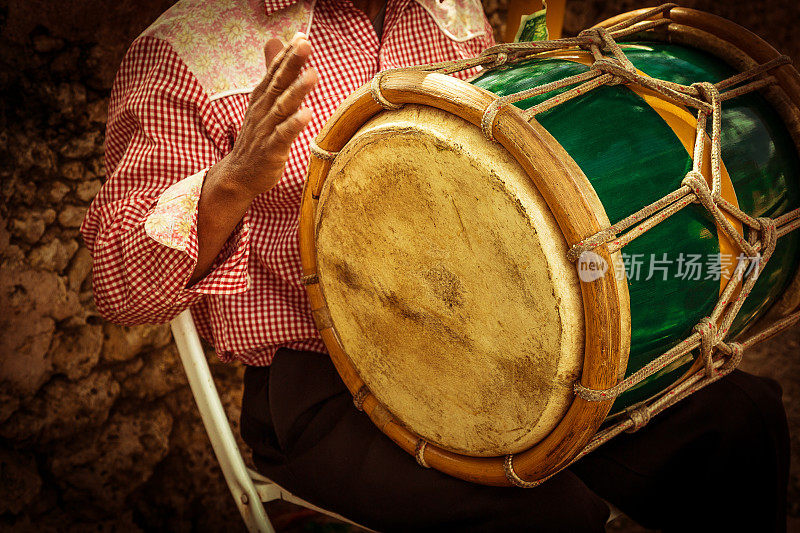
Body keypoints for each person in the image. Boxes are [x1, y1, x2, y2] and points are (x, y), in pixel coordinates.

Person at [81, 0, 790, 530]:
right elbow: (117, 282)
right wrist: (232, 182)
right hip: (320, 383)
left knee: (735, 422)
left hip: (489, 333)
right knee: (546, 522)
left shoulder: (445, 8)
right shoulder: (182, 52)